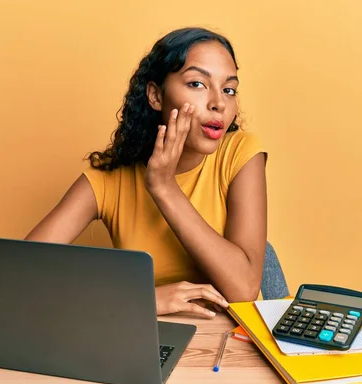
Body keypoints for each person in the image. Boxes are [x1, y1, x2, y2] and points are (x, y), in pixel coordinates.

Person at [25, 27, 267, 318]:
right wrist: (142, 300)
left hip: (234, 344)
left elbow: (243, 289)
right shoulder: (110, 178)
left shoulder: (240, 153)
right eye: (197, 84)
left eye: (229, 89)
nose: (218, 103)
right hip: (143, 335)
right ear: (155, 95)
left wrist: (164, 188)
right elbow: (22, 273)